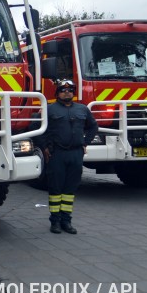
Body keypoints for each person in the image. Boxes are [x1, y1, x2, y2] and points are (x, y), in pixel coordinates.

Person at [41, 79, 98, 234]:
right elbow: (37, 127)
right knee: (55, 188)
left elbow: (93, 127)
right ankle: (55, 222)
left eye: (70, 90)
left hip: (76, 153)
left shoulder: (83, 109)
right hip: (57, 154)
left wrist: (86, 142)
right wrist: (45, 146)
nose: (67, 92)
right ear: (57, 93)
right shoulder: (49, 109)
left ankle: (66, 221)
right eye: (63, 90)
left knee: (70, 189)